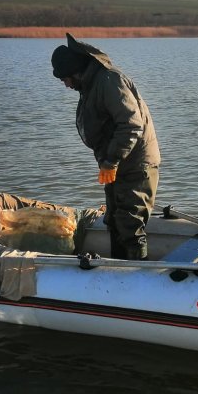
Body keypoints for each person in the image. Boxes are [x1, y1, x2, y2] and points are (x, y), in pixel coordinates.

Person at [51, 33, 160, 260]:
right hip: (117, 165)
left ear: (75, 72)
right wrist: (109, 163)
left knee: (130, 224)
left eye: (65, 79)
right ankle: (119, 268)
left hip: (135, 165)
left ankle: (138, 272)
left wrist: (111, 161)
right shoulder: (90, 84)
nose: (65, 85)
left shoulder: (109, 80)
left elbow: (131, 125)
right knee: (113, 220)